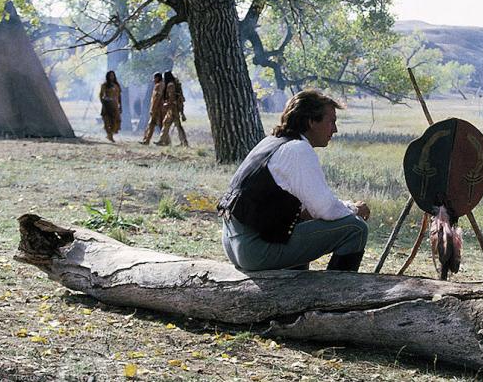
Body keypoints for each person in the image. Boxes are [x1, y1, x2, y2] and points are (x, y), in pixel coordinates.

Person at [217, 89, 371, 272]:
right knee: (356, 228)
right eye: (331, 121)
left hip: (235, 244)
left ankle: (298, 287)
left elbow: (307, 209)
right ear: (311, 121)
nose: (335, 130)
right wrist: (354, 209)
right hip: (255, 250)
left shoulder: (271, 142)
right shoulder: (298, 150)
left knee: (301, 218)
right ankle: (337, 295)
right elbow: (326, 208)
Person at [155, 71, 189, 147]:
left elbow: (172, 97)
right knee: (168, 123)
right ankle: (163, 140)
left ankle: (183, 142)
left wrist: (167, 104)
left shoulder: (170, 85)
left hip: (173, 108)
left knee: (171, 124)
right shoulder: (174, 84)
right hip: (174, 107)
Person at [139, 72, 164, 145]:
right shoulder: (162, 85)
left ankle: (146, 140)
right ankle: (146, 140)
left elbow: (156, 98)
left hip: (157, 109)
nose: (153, 80)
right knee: (156, 125)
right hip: (159, 108)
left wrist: (153, 109)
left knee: (154, 124)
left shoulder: (158, 86)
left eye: (155, 78)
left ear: (157, 78)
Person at [99, 70, 122, 142]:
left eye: (113, 75)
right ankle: (110, 135)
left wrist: (120, 105)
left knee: (117, 121)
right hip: (107, 105)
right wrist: (103, 102)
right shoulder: (104, 85)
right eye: (110, 75)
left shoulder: (117, 85)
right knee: (107, 121)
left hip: (115, 106)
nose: (111, 77)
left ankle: (110, 134)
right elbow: (101, 95)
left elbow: (119, 96)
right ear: (107, 76)